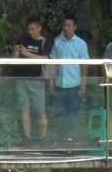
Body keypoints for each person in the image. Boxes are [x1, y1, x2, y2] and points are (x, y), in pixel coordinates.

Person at [12, 16, 52, 147]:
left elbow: (45, 59)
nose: (30, 32)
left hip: (37, 80)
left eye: (33, 29)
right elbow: (14, 61)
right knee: (25, 109)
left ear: (39, 28)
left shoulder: (45, 42)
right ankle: (27, 137)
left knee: (40, 110)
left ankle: (44, 137)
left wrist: (27, 53)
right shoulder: (22, 40)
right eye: (28, 29)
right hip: (22, 79)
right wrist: (16, 52)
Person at [50, 15, 89, 143]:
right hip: (60, 83)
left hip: (73, 84)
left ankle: (72, 137)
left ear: (74, 27)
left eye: (69, 25)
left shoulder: (81, 44)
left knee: (73, 112)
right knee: (60, 111)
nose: (66, 28)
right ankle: (61, 137)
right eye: (64, 25)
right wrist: (51, 81)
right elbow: (53, 63)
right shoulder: (57, 41)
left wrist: (83, 83)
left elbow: (84, 65)